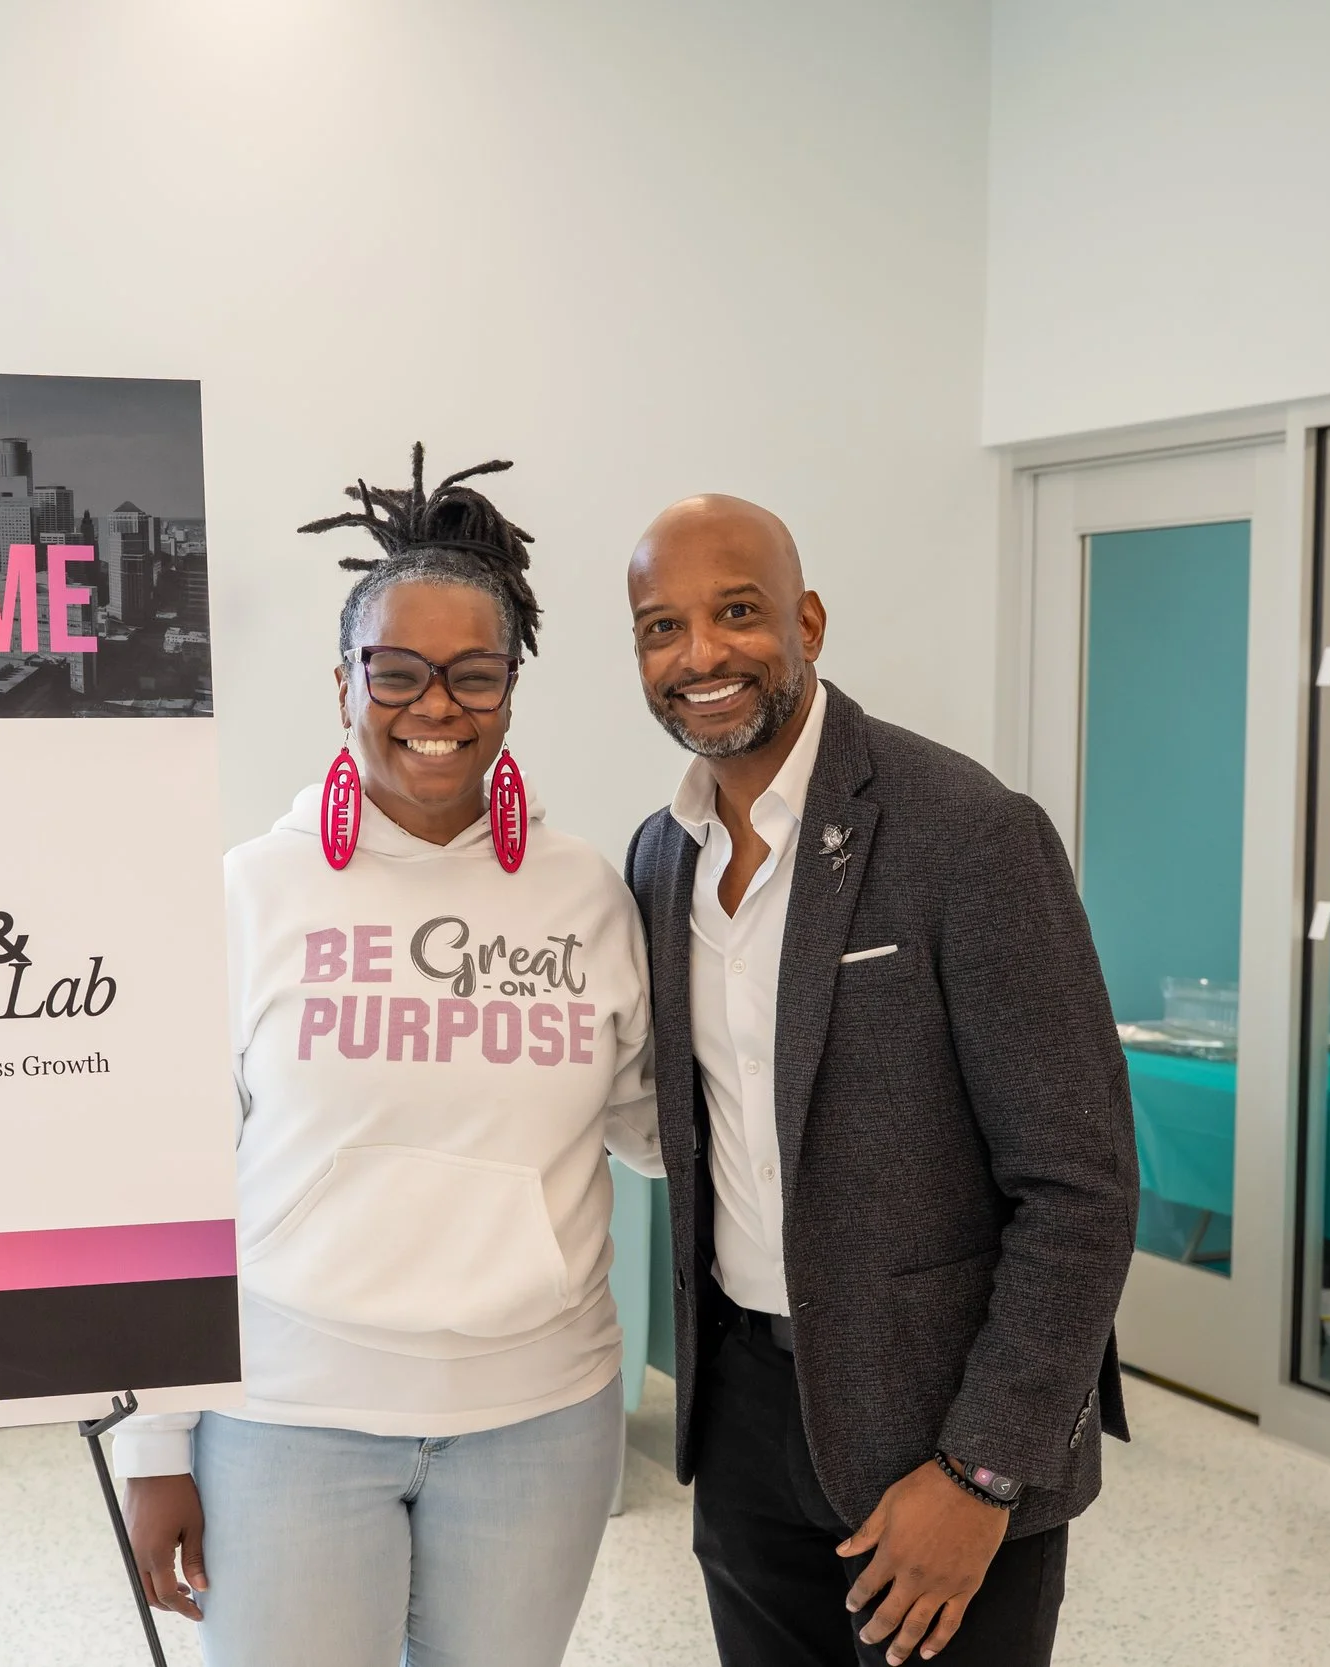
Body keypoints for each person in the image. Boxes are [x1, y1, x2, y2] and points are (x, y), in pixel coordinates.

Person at [117, 446, 660, 1667]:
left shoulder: (587, 894)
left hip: (540, 1416)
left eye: (475, 674)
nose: (435, 705)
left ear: (511, 689)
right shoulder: (252, 890)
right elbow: (171, 1179)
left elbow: (651, 1125)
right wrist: (153, 1446)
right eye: (397, 670)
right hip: (287, 1414)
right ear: (343, 683)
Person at [622, 494, 1137, 1667]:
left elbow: (1082, 1186)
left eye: (736, 611)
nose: (699, 654)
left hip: (938, 1432)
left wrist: (980, 1470)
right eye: (661, 627)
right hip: (744, 1421)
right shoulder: (660, 858)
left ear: (805, 621)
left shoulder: (968, 832)